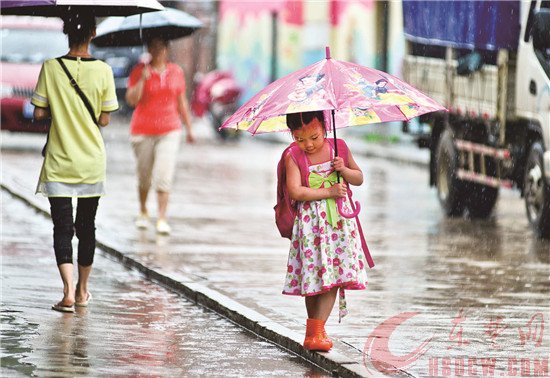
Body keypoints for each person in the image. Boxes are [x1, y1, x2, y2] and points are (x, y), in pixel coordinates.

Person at [32, 13, 118, 313]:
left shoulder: (51, 68)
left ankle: (66, 291)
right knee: (87, 227)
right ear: (93, 33)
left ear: (66, 32)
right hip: (91, 161)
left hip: (59, 160)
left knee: (62, 228)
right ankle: (82, 290)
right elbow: (105, 119)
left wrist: (60, 108)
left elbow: (39, 114)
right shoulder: (104, 71)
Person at [282, 111, 369, 351]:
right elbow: (296, 192)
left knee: (334, 277)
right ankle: (315, 332)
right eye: (300, 139)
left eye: (314, 137)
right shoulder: (293, 155)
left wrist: (345, 170)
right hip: (311, 226)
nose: (308, 144)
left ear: (325, 126)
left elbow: (359, 178)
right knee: (314, 277)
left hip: (339, 223)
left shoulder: (338, 148)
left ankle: (317, 331)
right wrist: (328, 192)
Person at [125, 37, 194, 235]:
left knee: (164, 174)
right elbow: (131, 100)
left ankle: (162, 217)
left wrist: (189, 128)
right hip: (143, 130)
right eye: (153, 48)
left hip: (169, 129)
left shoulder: (176, 72)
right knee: (144, 176)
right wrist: (142, 80)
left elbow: (181, 102)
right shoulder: (139, 71)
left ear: (166, 50)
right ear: (148, 50)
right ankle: (143, 210)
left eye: (161, 48)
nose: (157, 52)